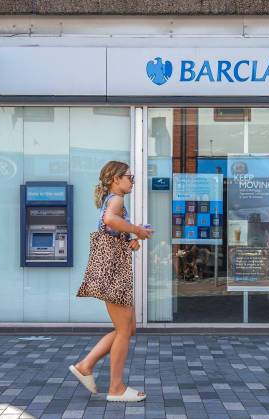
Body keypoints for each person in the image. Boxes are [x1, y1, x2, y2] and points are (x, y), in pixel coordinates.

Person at [70, 161, 153, 402]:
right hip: (114, 273)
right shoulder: (115, 200)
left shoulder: (113, 199)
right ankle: (115, 388)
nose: (132, 181)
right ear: (116, 179)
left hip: (115, 270)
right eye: (130, 177)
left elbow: (112, 229)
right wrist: (137, 230)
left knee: (128, 329)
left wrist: (131, 238)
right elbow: (109, 220)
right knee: (125, 331)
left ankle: (86, 365)